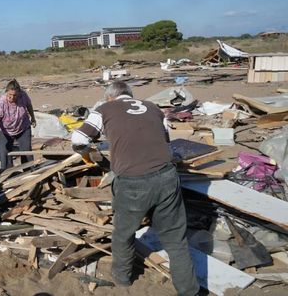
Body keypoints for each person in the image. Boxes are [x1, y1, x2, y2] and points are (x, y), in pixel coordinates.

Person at [71, 81, 199, 296]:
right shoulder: (153, 108)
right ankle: (189, 290)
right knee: (175, 239)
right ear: (130, 95)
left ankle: (122, 278)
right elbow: (165, 140)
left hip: (132, 182)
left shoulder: (103, 109)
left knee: (123, 233)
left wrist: (88, 151)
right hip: (167, 177)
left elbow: (78, 139)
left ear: (110, 97)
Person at [0, 79, 37, 170]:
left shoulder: (23, 96)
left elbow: (29, 105)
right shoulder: (2, 102)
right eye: (10, 95)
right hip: (5, 131)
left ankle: (29, 172)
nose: (12, 97)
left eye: (15, 95)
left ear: (19, 93)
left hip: (23, 128)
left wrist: (33, 118)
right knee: (5, 154)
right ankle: (7, 175)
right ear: (7, 92)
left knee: (26, 152)